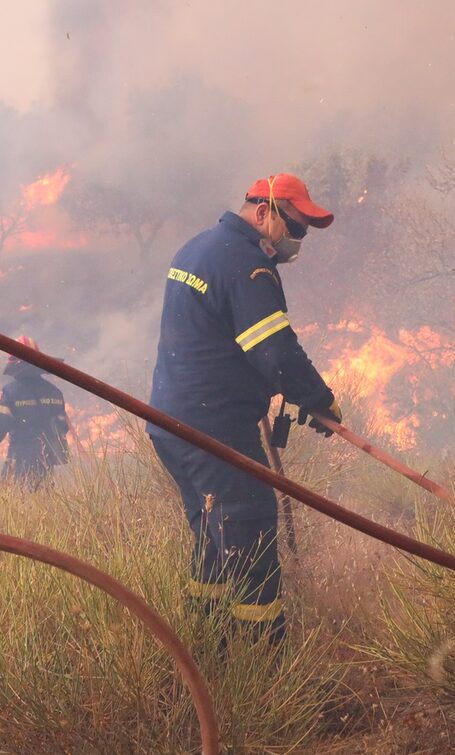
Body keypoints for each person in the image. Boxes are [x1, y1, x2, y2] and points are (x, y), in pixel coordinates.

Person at [147, 173, 342, 644]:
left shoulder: (198, 248)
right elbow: (274, 350)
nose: (299, 241)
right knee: (251, 531)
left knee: (214, 536)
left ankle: (206, 651)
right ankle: (262, 667)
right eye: (295, 228)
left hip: (172, 424)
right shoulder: (247, 264)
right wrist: (320, 400)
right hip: (214, 430)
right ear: (262, 212)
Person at [0, 335, 70, 489]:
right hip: (47, 457)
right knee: (43, 496)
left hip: (21, 454)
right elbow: (63, 426)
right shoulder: (54, 392)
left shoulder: (9, 392)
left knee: (11, 497)